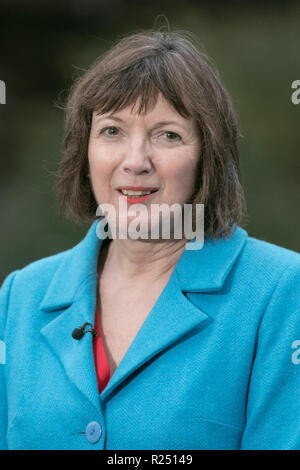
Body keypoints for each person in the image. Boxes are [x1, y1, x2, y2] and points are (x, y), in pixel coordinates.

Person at [0, 29, 299, 451]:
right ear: (84, 150)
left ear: (207, 157)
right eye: (111, 131)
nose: (135, 162)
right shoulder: (20, 296)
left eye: (168, 135)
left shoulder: (282, 291)